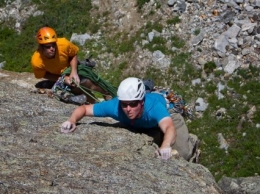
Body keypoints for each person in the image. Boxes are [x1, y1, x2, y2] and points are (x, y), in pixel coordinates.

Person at [61, 77, 197, 161]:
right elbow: (84, 109)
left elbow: (169, 127)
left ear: (141, 102)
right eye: (124, 104)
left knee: (183, 153)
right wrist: (72, 120)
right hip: (146, 122)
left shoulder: (154, 107)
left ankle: (193, 143)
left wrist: (166, 145)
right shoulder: (115, 106)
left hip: (169, 113)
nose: (128, 109)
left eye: (133, 104)